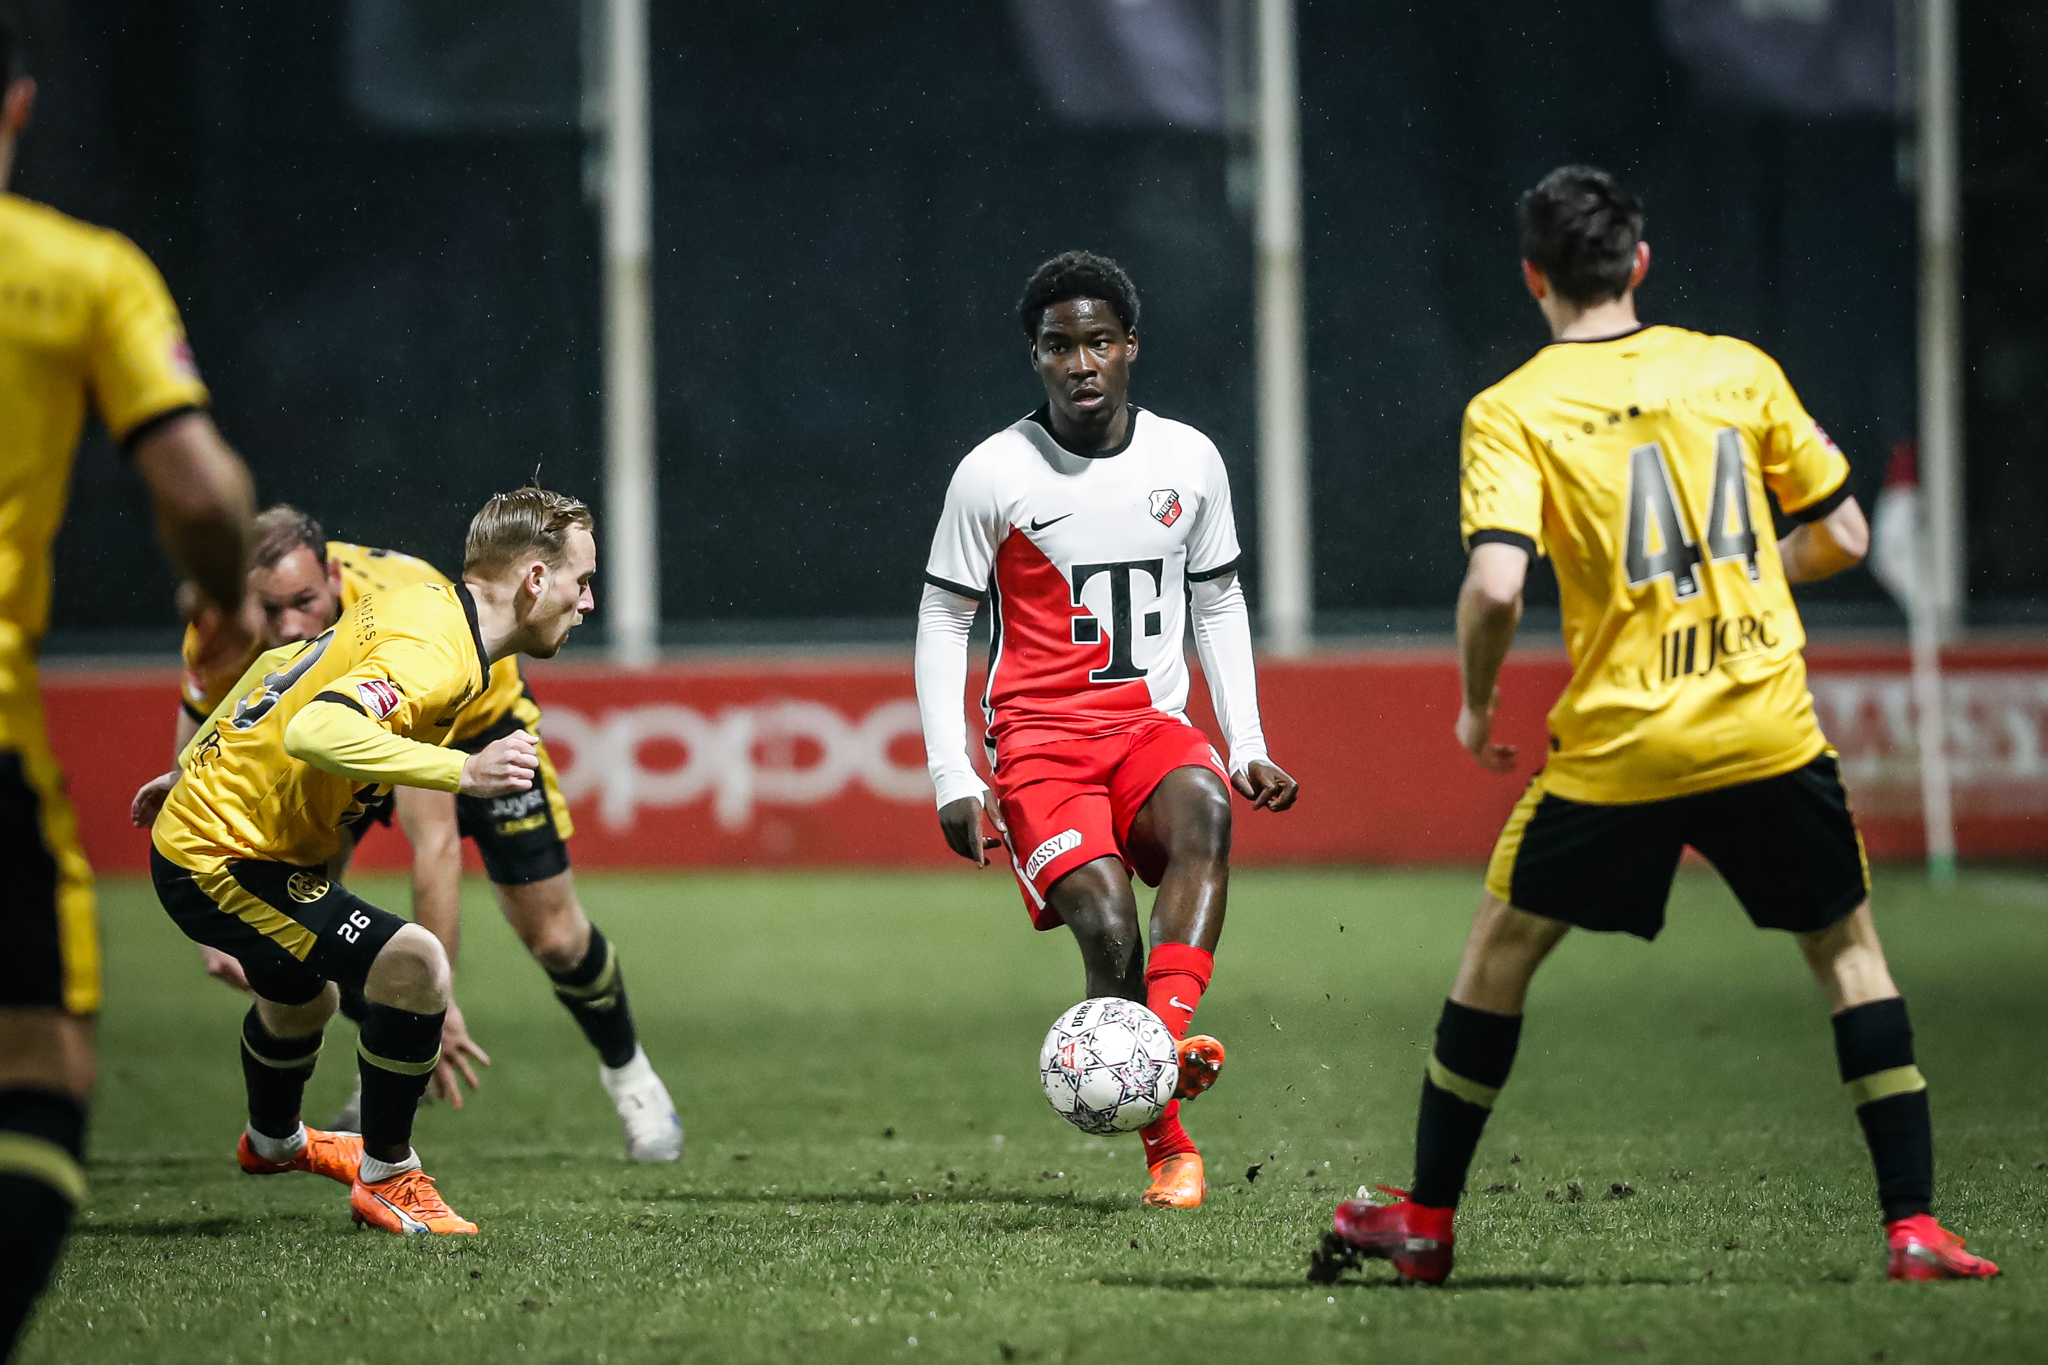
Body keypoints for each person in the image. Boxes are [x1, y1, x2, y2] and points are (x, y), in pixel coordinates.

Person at [1316, 166, 1997, 1285]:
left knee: (1500, 952)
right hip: (1763, 725)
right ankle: (1913, 1226)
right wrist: (1746, 586)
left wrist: (1476, 703)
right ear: (1637, 263)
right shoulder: (1734, 370)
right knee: (1846, 954)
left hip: (1623, 745)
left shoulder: (1513, 407)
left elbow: (1493, 588)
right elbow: (1845, 538)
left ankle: (1427, 1216)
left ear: (1532, 277)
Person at [915, 251, 1299, 1210]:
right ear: (1035, 358)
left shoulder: (1190, 459)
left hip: (1147, 727)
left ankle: (1161, 1047)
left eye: (1097, 342)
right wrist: (951, 773)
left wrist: (1244, 740)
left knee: (1208, 807)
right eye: (1059, 346)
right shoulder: (992, 474)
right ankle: (1169, 1139)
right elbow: (941, 622)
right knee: (1105, 916)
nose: (1081, 362)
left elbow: (1219, 601)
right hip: (1039, 740)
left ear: (1131, 347)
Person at [132, 506, 681, 1161]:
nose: (287, 622)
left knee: (555, 935)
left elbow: (437, 845)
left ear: (332, 576)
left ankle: (631, 1078)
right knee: (305, 930)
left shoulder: (422, 625)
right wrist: (197, 770)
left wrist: (435, 1000)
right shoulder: (231, 626)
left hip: (474, 721)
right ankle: (340, 1111)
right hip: (348, 722)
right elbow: (282, 673)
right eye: (267, 609)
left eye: (304, 601)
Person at [0, 15, 256, 1356]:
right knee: (38, 1066)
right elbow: (204, 490)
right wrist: (220, 594)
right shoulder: (77, 275)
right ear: (23, 107)